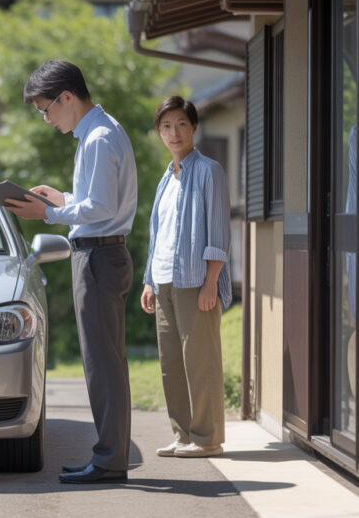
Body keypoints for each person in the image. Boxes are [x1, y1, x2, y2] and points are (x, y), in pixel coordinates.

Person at [5, 60, 137, 484]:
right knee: (106, 364)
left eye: (46, 109)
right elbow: (98, 202)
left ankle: (109, 461)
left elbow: (101, 208)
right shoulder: (100, 132)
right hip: (101, 255)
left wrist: (50, 212)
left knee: (103, 366)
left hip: (99, 258)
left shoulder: (98, 137)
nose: (46, 120)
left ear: (66, 97)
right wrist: (63, 198)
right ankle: (110, 457)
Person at [140, 96, 231, 458]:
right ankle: (183, 435)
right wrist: (149, 279)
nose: (173, 132)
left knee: (201, 361)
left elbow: (219, 232)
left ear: (193, 128)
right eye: (165, 126)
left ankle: (207, 438)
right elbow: (158, 233)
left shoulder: (209, 171)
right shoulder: (166, 179)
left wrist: (212, 281)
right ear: (159, 132)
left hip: (196, 282)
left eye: (180, 124)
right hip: (163, 281)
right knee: (171, 365)